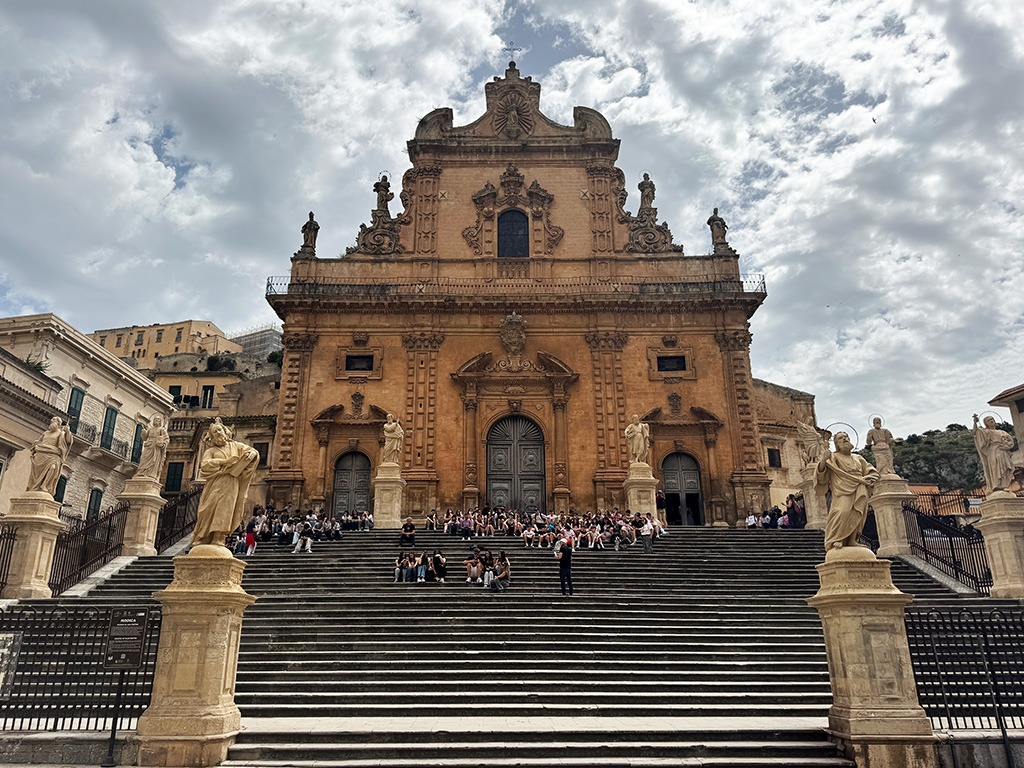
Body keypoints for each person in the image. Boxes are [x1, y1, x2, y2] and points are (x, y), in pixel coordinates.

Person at [193, 419, 260, 548]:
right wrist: (224, 462)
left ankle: (218, 537)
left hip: (231, 482)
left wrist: (251, 454)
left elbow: (253, 452)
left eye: (219, 430)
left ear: (225, 431)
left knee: (225, 510)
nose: (218, 433)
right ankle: (203, 536)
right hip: (215, 482)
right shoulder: (210, 451)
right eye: (215, 432)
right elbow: (205, 465)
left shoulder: (236, 446)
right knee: (207, 509)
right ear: (212, 436)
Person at [816, 431, 879, 554]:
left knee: (857, 514)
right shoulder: (833, 458)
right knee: (842, 511)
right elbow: (821, 475)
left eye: (846, 437)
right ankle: (836, 538)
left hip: (860, 488)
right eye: (840, 438)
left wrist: (870, 479)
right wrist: (824, 459)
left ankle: (852, 540)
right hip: (842, 490)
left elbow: (872, 472)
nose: (844, 439)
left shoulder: (858, 458)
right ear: (836, 444)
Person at [26, 417, 73, 496]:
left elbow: (68, 441)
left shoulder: (60, 433)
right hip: (41, 454)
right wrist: (35, 444)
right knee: (36, 474)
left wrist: (68, 431)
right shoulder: (45, 433)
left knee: (53, 467)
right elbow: (39, 441)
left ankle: (44, 485)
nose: (52, 423)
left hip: (52, 456)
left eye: (54, 421)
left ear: (58, 424)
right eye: (52, 421)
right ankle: (35, 487)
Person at [972, 414, 1016, 494]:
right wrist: (975, 422)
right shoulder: (986, 431)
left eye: (992, 419)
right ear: (986, 423)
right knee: (996, 467)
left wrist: (1006, 445)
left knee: (1006, 467)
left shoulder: (1002, 432)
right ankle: (997, 485)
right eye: (989, 420)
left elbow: (1011, 441)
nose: (992, 420)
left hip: (1004, 451)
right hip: (993, 451)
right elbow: (975, 432)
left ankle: (1006, 485)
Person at [135, 415, 169, 480]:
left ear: (160, 422)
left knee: (153, 461)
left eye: (158, 420)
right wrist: (143, 432)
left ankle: (150, 474)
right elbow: (145, 438)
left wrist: (162, 444)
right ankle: (141, 472)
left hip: (155, 447)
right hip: (148, 446)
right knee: (143, 459)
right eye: (155, 419)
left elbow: (166, 439)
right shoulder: (150, 429)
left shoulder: (162, 430)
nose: (156, 421)